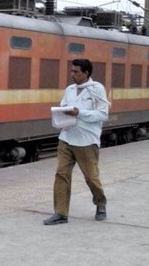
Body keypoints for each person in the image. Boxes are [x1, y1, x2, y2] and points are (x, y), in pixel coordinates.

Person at [44, 59, 109, 225]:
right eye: (71, 71)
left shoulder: (97, 89)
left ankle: (100, 203)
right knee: (61, 175)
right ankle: (60, 213)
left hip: (87, 141)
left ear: (86, 73)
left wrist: (79, 113)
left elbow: (103, 115)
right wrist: (61, 114)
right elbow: (64, 107)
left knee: (91, 177)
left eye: (76, 72)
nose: (72, 74)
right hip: (66, 138)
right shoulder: (70, 89)